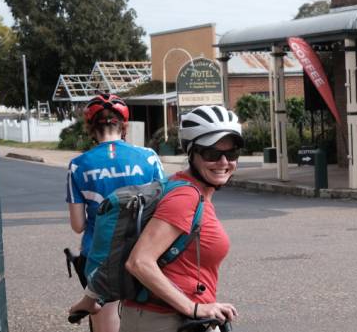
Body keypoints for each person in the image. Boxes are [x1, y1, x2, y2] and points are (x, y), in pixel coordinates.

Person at [73, 105, 243, 331]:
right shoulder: (185, 196)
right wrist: (193, 308)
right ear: (192, 153)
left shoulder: (187, 188)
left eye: (231, 154)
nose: (224, 162)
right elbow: (139, 262)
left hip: (172, 318)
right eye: (212, 154)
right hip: (164, 321)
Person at [66, 93, 167, 332]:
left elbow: (78, 225)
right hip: (146, 252)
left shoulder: (78, 165)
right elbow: (166, 206)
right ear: (123, 126)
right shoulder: (149, 158)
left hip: (100, 257)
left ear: (91, 128)